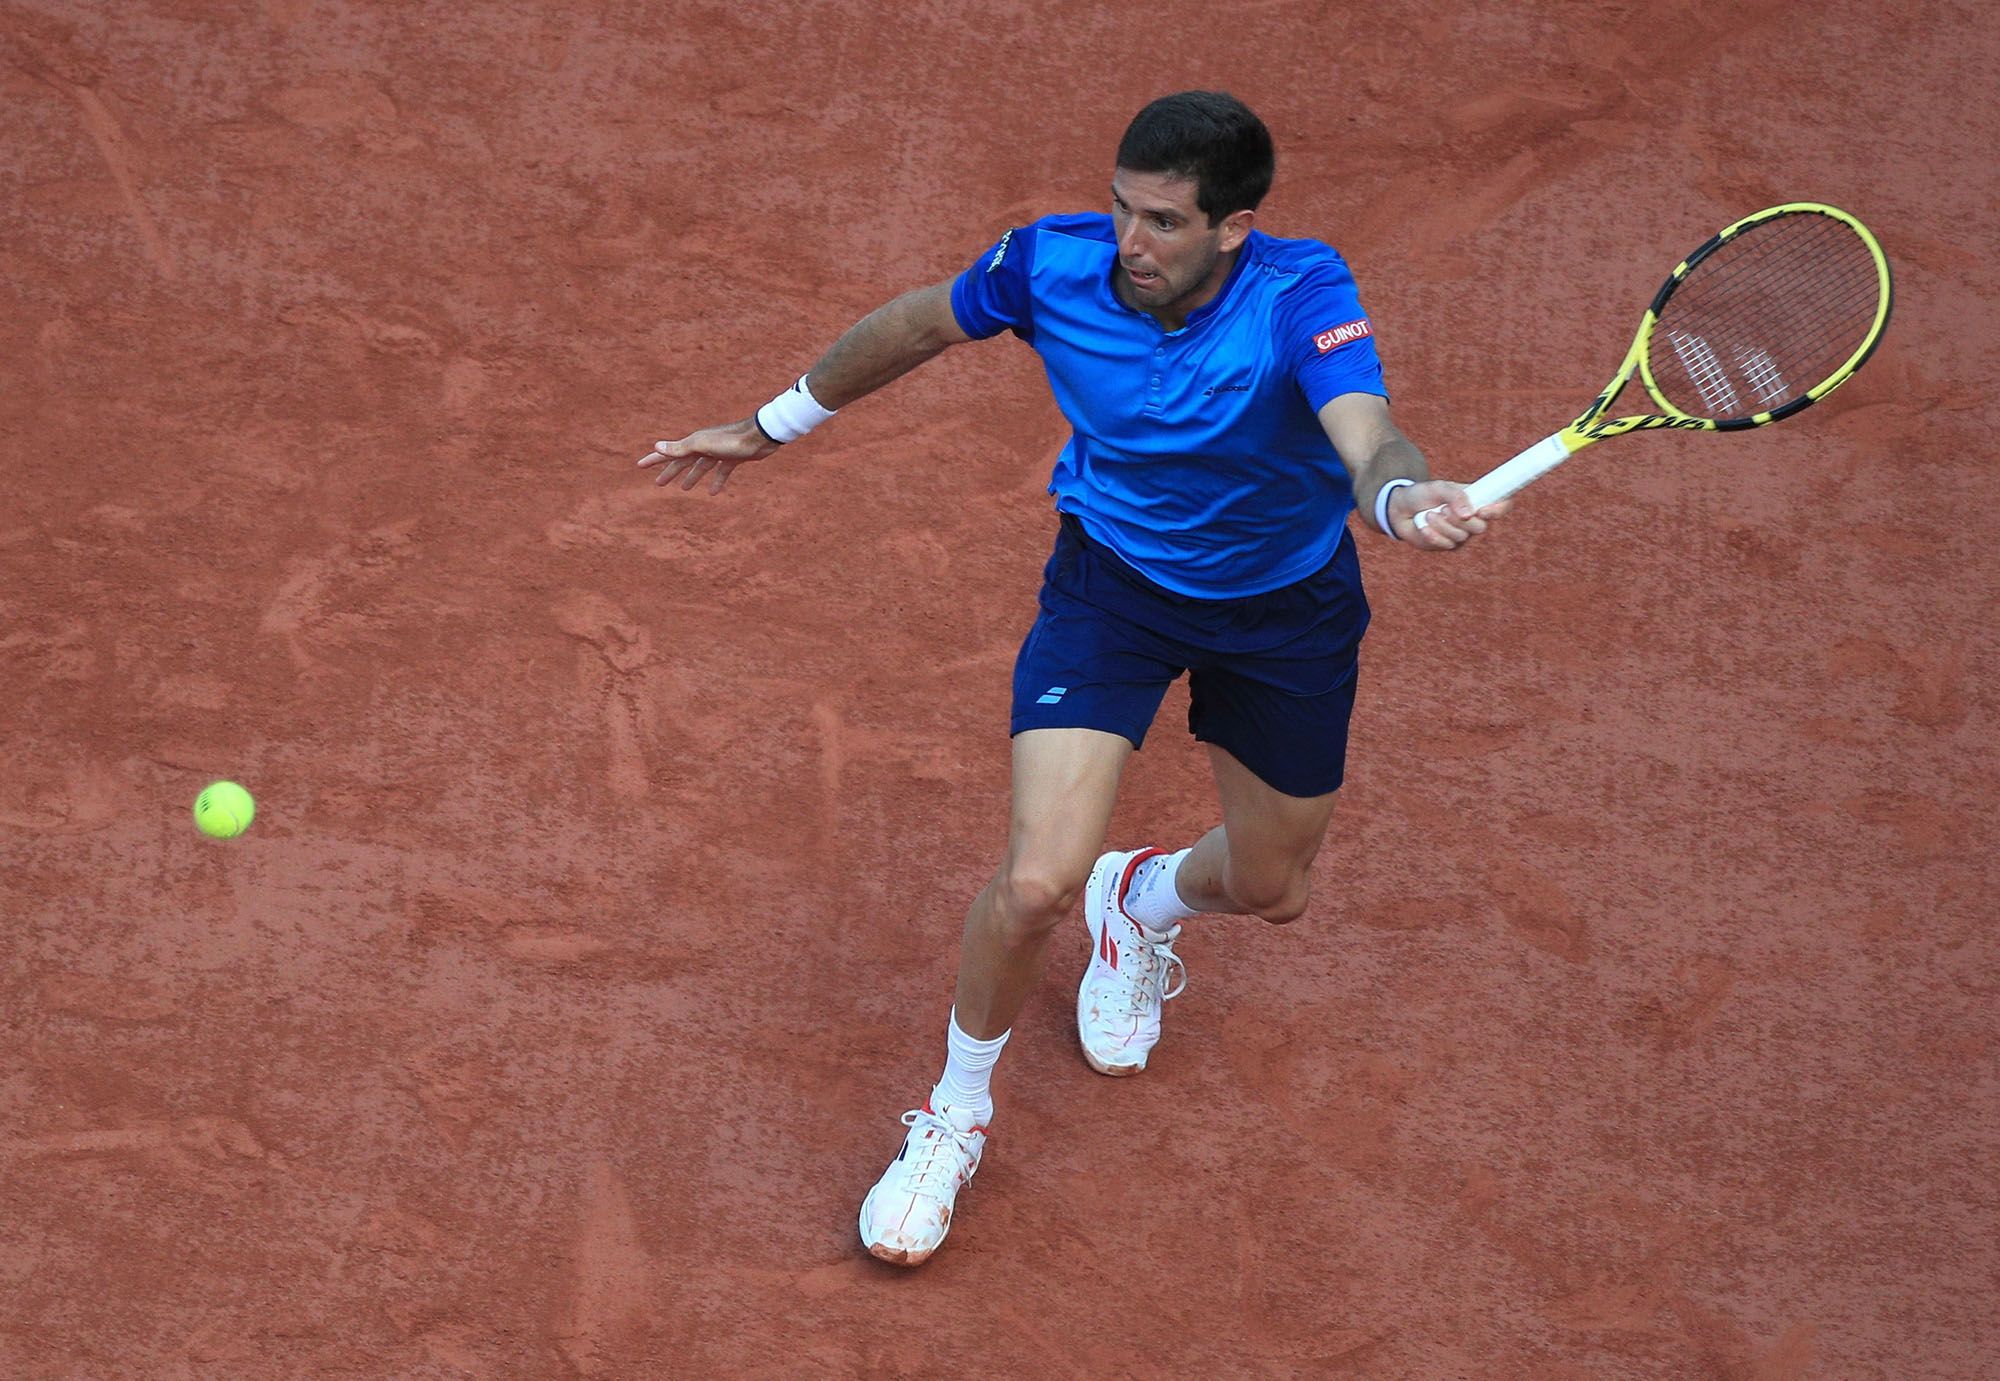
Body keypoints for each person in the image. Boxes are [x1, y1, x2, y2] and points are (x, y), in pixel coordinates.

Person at [639, 91, 1507, 1267]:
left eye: (1159, 222)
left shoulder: (1302, 292)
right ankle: (952, 1113)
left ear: (1232, 226)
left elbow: (1370, 431)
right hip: (1111, 589)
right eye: (1119, 208)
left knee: (1270, 885)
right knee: (1032, 880)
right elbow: (912, 325)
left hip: (1283, 611)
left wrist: (1399, 498)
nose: (1128, 244)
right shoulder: (1047, 265)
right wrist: (771, 423)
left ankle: (1138, 898)